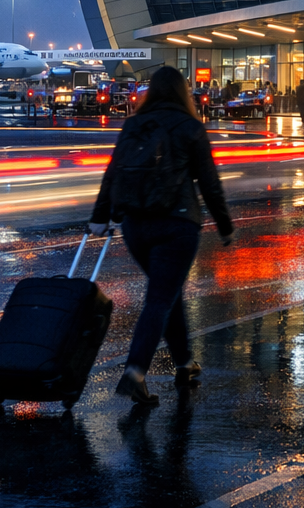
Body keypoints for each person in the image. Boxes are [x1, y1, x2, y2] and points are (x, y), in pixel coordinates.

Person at [90, 66, 234, 406]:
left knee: (168, 293)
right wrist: (225, 226)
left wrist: (99, 217)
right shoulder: (190, 127)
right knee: (160, 298)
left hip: (135, 226)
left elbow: (113, 172)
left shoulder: (133, 124)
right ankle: (135, 371)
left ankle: (184, 363)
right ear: (183, 92)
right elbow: (209, 183)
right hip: (176, 225)